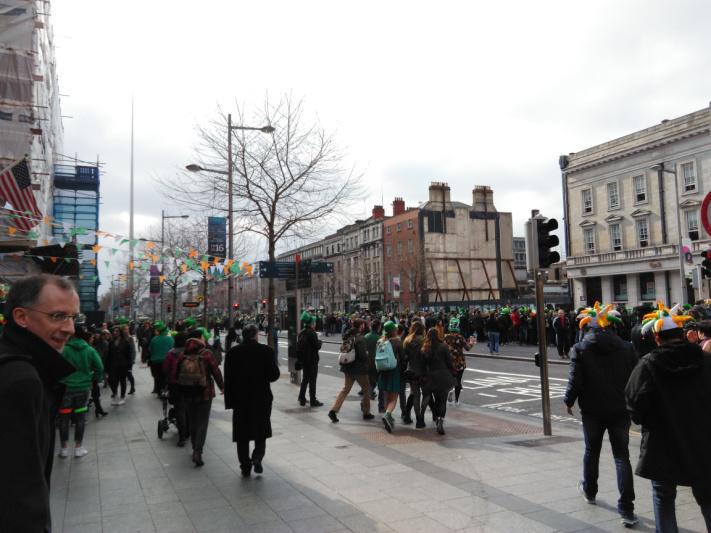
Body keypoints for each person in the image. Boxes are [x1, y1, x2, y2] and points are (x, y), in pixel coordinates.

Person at [0, 274, 78, 532]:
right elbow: (20, 487)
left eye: (73, 317)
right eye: (58, 316)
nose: (70, 329)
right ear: (21, 317)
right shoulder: (22, 379)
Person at [625, 305, 711, 532]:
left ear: (656, 337)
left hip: (662, 443)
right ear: (682, 333)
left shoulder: (647, 365)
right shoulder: (705, 360)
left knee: (663, 498)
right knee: (707, 498)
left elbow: (634, 405)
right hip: (702, 441)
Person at [563, 303, 639, 527]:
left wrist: (569, 400)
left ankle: (590, 490)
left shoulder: (581, 348)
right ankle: (627, 509)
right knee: (621, 456)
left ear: (590, 328)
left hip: (592, 410)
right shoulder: (627, 347)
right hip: (620, 409)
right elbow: (635, 378)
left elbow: (575, 378)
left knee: (591, 450)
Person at [224, 324, 280, 477]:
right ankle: (257, 457)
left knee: (242, 434)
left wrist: (229, 402)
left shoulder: (233, 353)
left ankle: (245, 465)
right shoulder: (266, 351)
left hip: (240, 399)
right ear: (256, 335)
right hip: (261, 397)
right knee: (261, 429)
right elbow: (274, 375)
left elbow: (228, 380)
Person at [178, 329, 224, 466]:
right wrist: (222, 386)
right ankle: (198, 451)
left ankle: (194, 447)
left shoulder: (182, 354)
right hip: (205, 392)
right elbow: (216, 371)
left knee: (192, 421)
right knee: (202, 422)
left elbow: (175, 374)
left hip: (187, 392)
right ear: (200, 338)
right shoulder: (206, 354)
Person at [58, 325, 104, 459]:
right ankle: (78, 447)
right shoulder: (89, 350)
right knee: (80, 417)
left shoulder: (64, 350)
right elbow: (100, 367)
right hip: (83, 389)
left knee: (64, 418)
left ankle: (63, 448)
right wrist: (93, 379)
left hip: (65, 388)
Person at [328, 318, 375, 423]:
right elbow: (363, 356)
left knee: (345, 389)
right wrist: (367, 357)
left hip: (347, 367)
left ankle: (333, 410)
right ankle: (366, 412)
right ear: (360, 326)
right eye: (363, 325)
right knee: (366, 388)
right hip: (359, 369)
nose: (364, 326)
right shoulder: (360, 338)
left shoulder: (348, 336)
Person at [421, 327, 456, 435]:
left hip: (431, 376)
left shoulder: (425, 347)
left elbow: (424, 363)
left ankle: (432, 416)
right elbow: (449, 362)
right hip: (443, 376)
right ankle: (440, 420)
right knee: (442, 400)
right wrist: (453, 372)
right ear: (438, 335)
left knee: (432, 398)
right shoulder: (444, 346)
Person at [377, 320, 404, 433]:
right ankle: (387, 414)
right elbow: (402, 358)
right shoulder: (397, 342)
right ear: (394, 330)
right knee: (394, 397)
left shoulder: (380, 341)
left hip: (383, 371)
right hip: (394, 370)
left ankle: (389, 415)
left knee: (387, 395)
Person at [402, 320, 428, 428]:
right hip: (424, 372)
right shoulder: (424, 340)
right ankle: (422, 414)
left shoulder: (407, 340)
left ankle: (418, 419)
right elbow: (427, 356)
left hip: (412, 371)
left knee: (415, 396)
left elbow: (405, 357)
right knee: (426, 394)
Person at [296, 312, 323, 407]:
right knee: (312, 380)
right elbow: (317, 346)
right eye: (314, 323)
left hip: (304, 360)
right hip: (312, 361)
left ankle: (301, 398)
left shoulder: (302, 332)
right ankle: (313, 400)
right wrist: (320, 341)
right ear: (311, 324)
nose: (315, 324)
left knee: (305, 379)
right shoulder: (312, 333)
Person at [444, 317, 472, 406]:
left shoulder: (446, 337)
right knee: (458, 380)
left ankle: (450, 391)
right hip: (459, 362)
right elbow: (468, 348)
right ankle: (456, 400)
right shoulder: (460, 337)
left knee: (450, 379)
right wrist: (471, 342)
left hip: (449, 361)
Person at [107, 324, 132, 405]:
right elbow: (109, 355)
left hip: (123, 365)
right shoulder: (111, 342)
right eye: (114, 331)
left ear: (120, 332)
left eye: (117, 331)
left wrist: (129, 366)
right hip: (113, 365)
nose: (115, 332)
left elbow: (129, 355)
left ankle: (122, 397)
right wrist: (107, 366)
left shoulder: (126, 342)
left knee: (122, 381)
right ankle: (115, 395)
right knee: (113, 381)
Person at [148, 320, 174, 395]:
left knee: (158, 377)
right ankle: (165, 391)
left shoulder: (154, 339)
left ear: (159, 330)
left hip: (155, 362)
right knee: (165, 377)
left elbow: (150, 350)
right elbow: (172, 350)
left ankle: (159, 391)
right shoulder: (170, 339)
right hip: (166, 362)